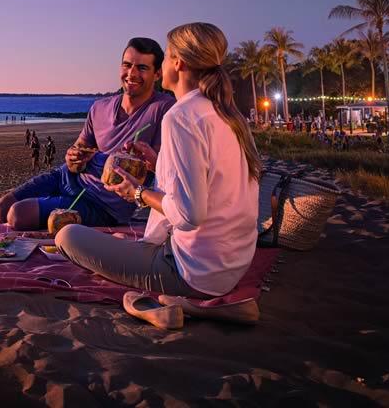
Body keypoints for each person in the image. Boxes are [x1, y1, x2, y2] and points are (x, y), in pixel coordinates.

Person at [56, 22, 262, 299]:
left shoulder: (181, 116)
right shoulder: (224, 112)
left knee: (67, 236)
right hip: (231, 265)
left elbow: (190, 215)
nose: (162, 63)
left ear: (178, 63)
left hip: (193, 273)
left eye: (166, 55)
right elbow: (209, 180)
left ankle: (179, 303)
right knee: (118, 242)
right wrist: (159, 162)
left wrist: (138, 193)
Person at [0, 36, 175, 230]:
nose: (132, 73)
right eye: (127, 65)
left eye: (142, 68)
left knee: (17, 215)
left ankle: (50, 203)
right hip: (66, 178)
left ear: (157, 74)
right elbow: (78, 151)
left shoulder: (164, 109)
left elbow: (164, 169)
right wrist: (73, 157)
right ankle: (50, 200)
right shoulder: (99, 107)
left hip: (101, 204)